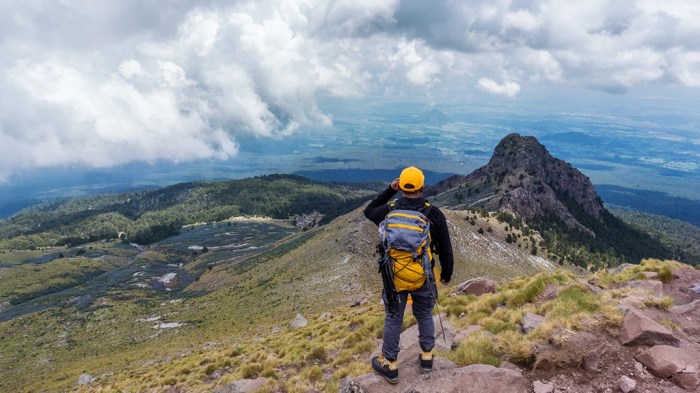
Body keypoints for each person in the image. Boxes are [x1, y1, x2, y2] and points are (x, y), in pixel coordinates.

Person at [363, 166, 454, 383]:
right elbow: (446, 249)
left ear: (400, 186)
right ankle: (426, 356)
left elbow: (369, 210)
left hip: (395, 278)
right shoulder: (434, 214)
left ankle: (390, 364)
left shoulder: (389, 210)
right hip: (423, 276)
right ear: (423, 187)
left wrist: (388, 190)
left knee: (394, 317)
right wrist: (446, 275)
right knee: (424, 314)